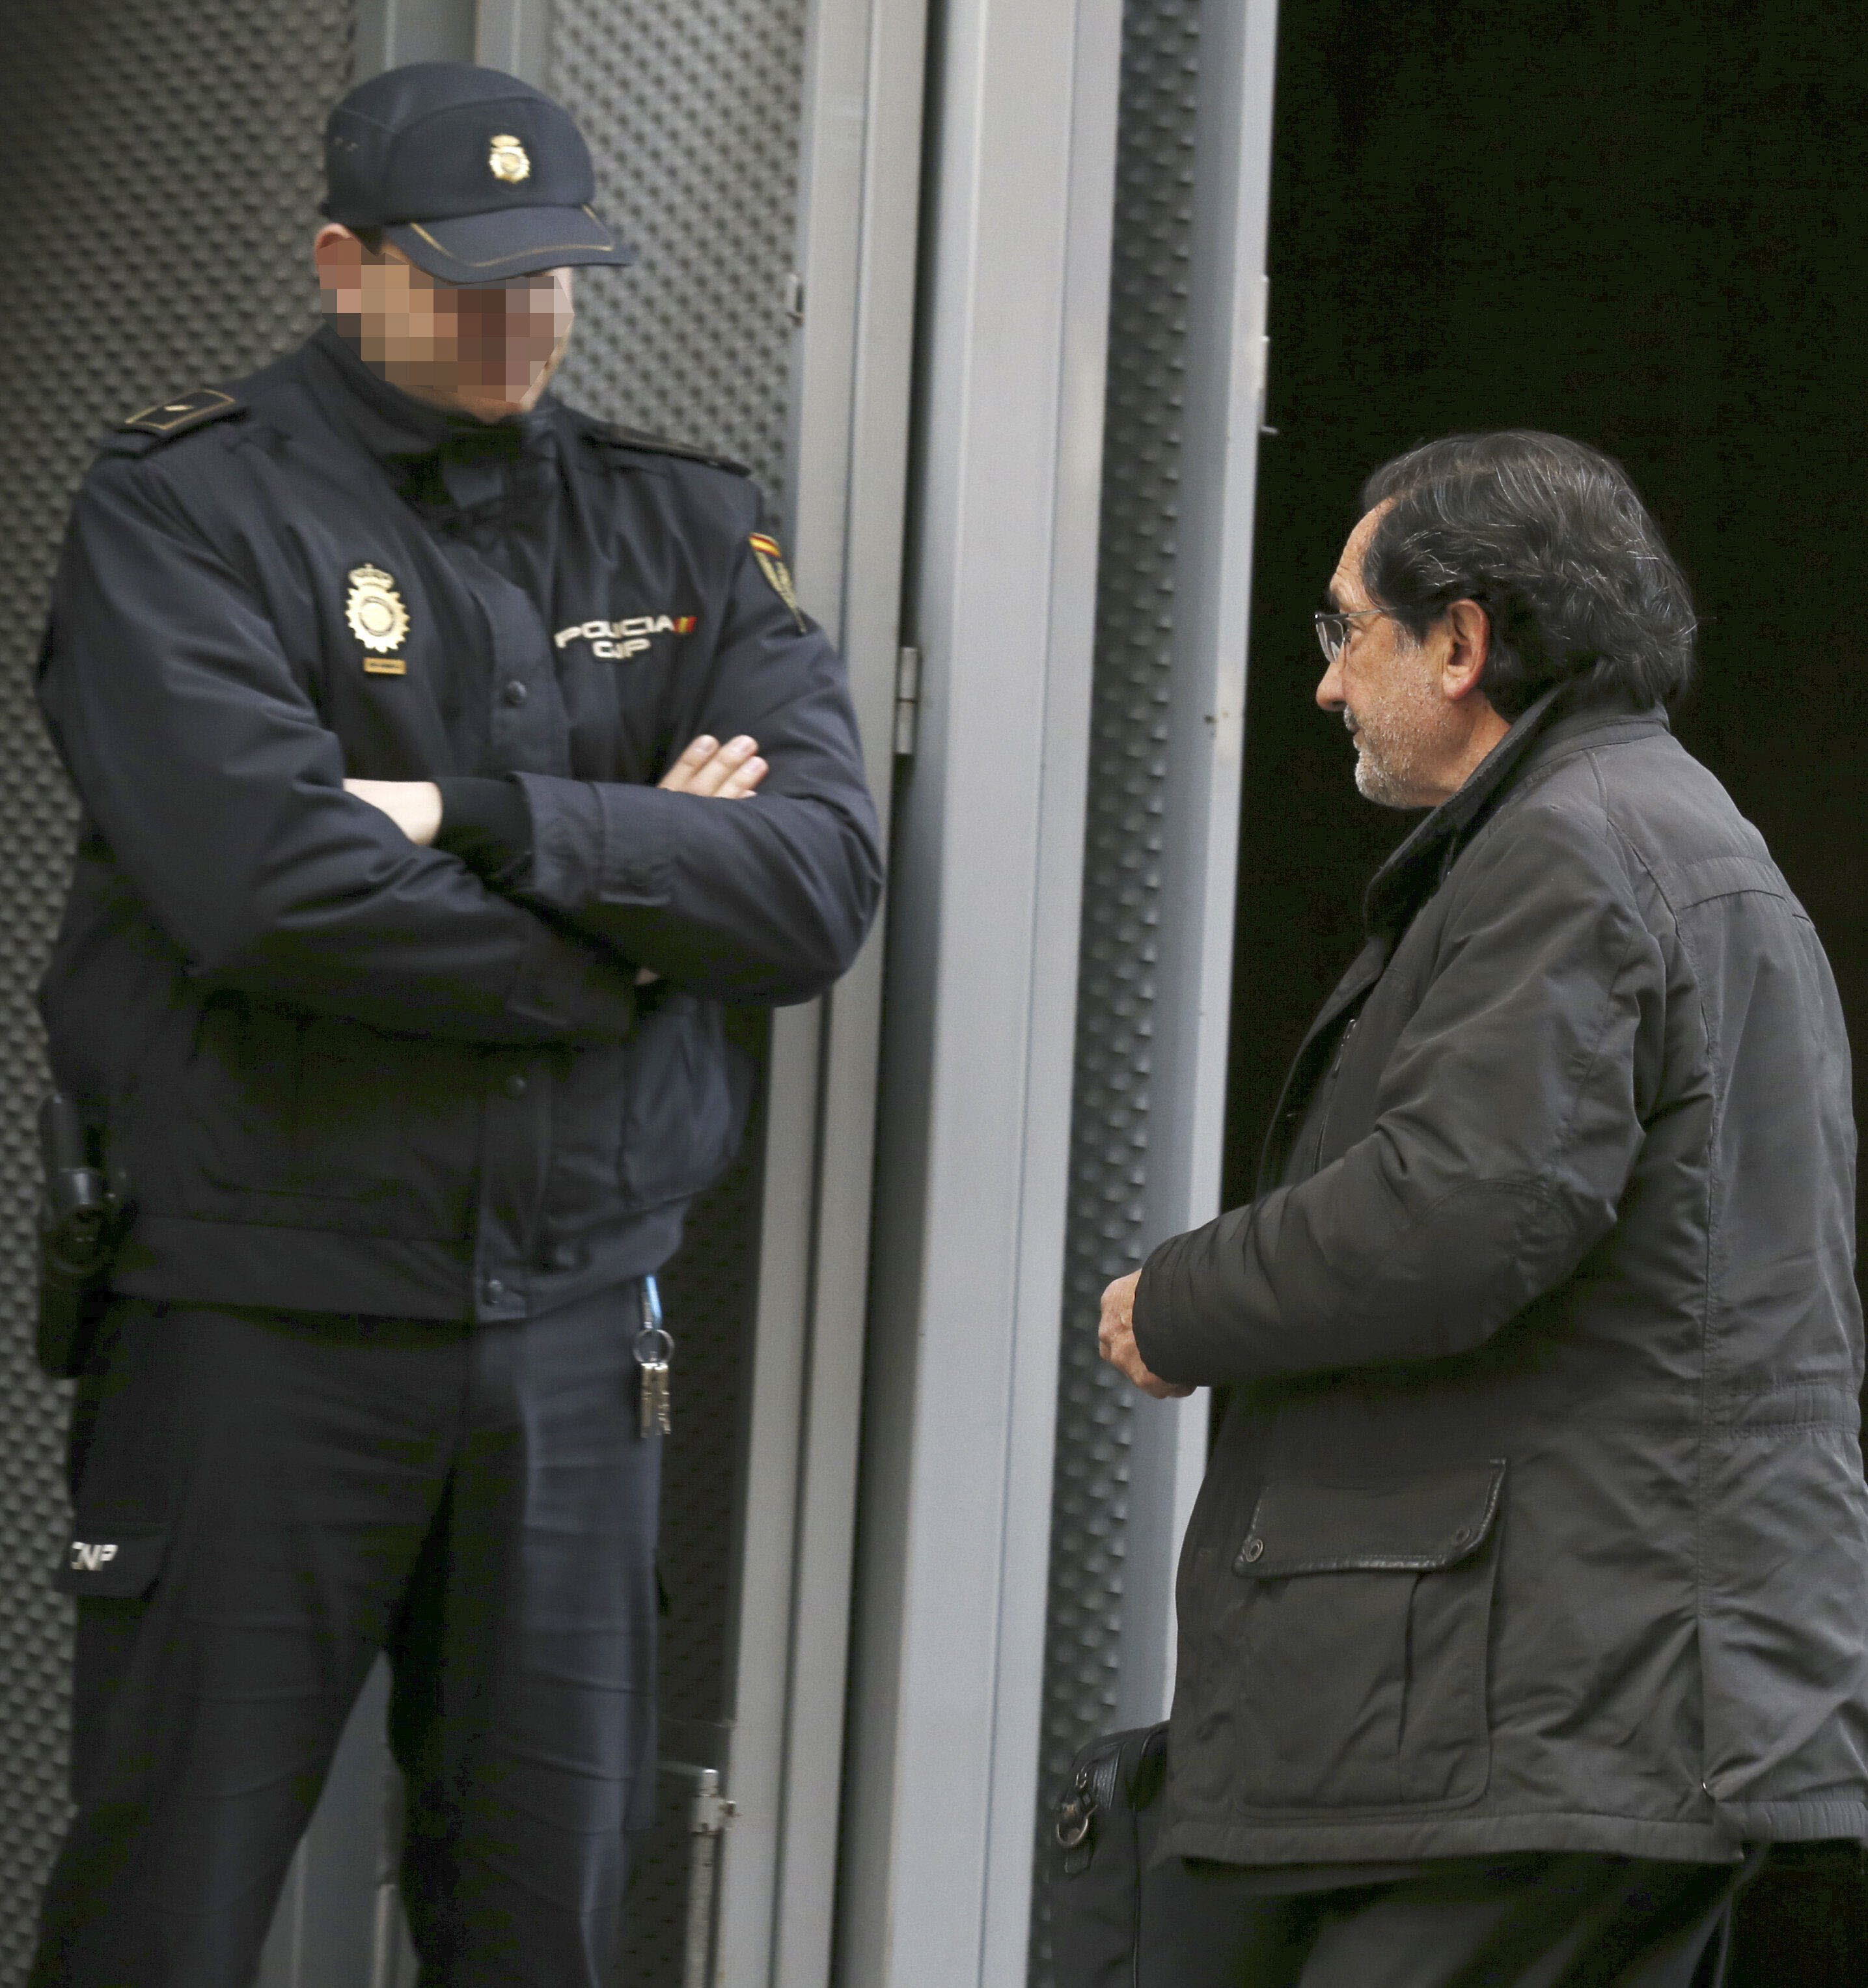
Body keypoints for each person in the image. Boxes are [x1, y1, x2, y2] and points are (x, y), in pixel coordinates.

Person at [29, 60, 880, 1988]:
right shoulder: (186, 512)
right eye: (466, 278)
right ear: (343, 264)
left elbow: (816, 883)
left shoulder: (677, 524)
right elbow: (263, 883)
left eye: (556, 276)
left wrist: (501, 824)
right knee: (169, 1896)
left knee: (546, 1916)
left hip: (574, 1336)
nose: (523, 319)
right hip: (257, 1322)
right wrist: (635, 928)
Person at [1099, 432, 1868, 1986]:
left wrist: (1175, 1300)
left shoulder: (1575, 850)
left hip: (1541, 1711)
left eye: (1343, 630)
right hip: (1580, 1703)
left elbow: (1457, 1213)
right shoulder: (1648, 830)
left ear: (1459, 641)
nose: (1324, 683)